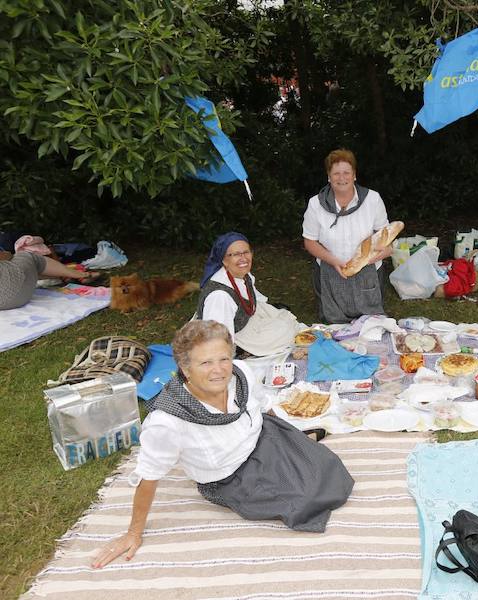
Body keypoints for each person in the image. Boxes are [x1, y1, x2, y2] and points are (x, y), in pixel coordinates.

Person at [91, 321, 354, 569]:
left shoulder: (242, 373)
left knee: (328, 466)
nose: (218, 370)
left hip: (264, 437)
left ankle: (304, 446)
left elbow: (262, 407)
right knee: (305, 501)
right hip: (231, 477)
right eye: (205, 362)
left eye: (223, 359)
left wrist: (292, 438)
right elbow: (148, 477)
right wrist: (133, 533)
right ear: (185, 368)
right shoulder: (166, 422)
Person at [302, 149, 391, 324]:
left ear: (354, 175)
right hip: (330, 270)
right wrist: (333, 260)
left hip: (367, 272)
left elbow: (385, 237)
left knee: (370, 324)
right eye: (336, 173)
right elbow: (309, 241)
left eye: (346, 173)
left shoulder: (372, 200)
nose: (341, 178)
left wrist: (383, 252)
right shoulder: (315, 204)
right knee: (334, 325)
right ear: (328, 176)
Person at [196, 232, 301, 356]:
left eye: (246, 252)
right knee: (284, 332)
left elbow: (252, 296)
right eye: (236, 254)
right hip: (233, 333)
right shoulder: (220, 296)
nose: (243, 258)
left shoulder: (242, 274)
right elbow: (216, 337)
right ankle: (242, 350)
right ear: (224, 260)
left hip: (245, 318)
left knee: (285, 320)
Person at [0, 252, 97, 310]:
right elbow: (6, 256)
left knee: (18, 268)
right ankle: (82, 275)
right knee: (28, 257)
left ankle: (61, 277)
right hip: (17, 292)